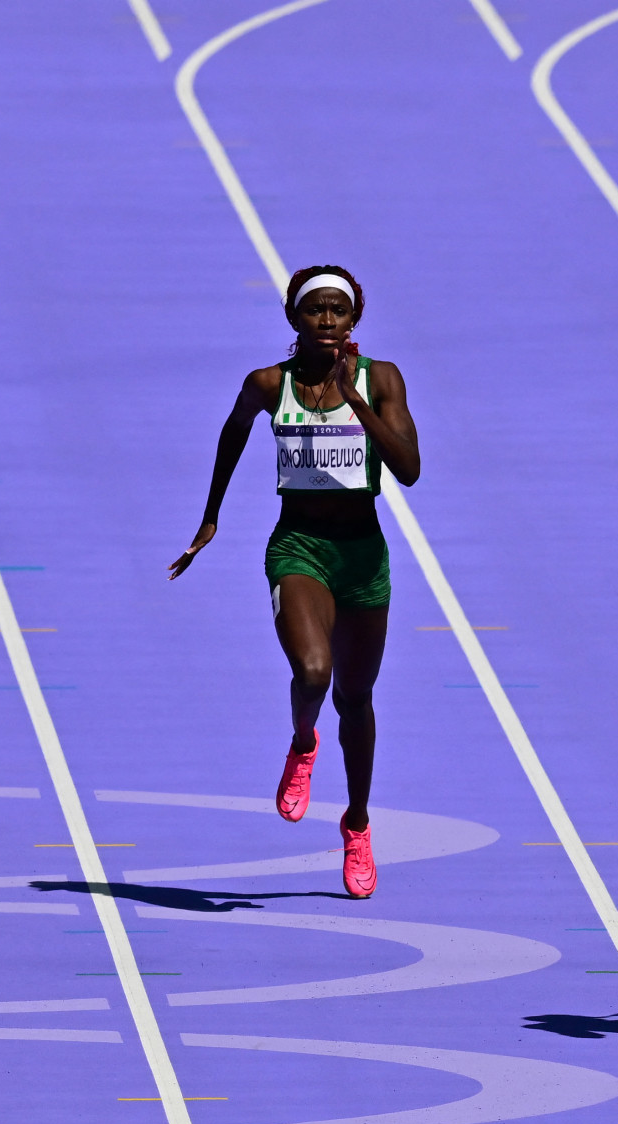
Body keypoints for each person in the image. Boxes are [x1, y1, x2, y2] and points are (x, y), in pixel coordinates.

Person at [170, 266, 421, 899]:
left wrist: (355, 399)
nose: (329, 321)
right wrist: (210, 517)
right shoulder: (267, 383)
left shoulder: (381, 379)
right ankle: (302, 742)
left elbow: (410, 469)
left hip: (362, 554)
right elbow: (233, 431)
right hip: (299, 548)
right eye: (316, 311)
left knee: (356, 699)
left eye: (340, 311)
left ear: (354, 318)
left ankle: (356, 823)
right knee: (313, 673)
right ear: (294, 319)